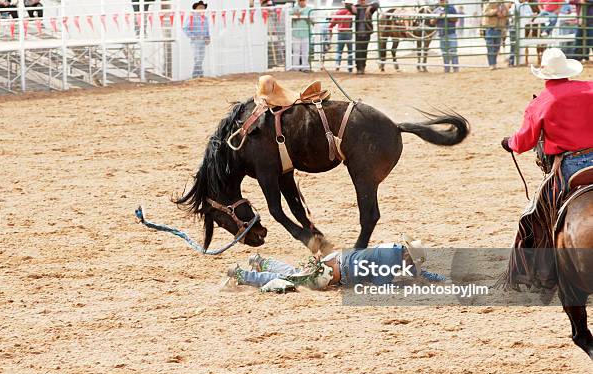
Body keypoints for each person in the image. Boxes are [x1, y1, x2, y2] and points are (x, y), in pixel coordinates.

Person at [500, 48, 593, 288]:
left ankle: (533, 272)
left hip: (570, 166)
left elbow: (524, 141)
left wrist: (509, 143)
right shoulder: (590, 89)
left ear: (544, 74)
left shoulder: (541, 102)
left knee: (533, 214)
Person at [224, 235, 445, 293]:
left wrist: (435, 278)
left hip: (335, 262)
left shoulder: (392, 250)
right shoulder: (391, 260)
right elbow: (383, 286)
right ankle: (243, 275)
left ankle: (261, 261)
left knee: (294, 274)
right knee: (289, 281)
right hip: (330, 274)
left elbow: (409, 271)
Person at [347, 0, 379, 75]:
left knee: (364, 50)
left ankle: (362, 67)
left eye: (363, 0)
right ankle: (359, 68)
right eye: (360, 0)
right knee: (358, 50)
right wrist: (351, 6)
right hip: (359, 33)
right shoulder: (356, 8)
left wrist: (370, 6)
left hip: (366, 32)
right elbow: (346, 5)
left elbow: (377, 4)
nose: (361, 2)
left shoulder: (370, 8)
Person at [431, 0, 460, 73]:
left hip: (451, 32)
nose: (442, 1)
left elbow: (456, 19)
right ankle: (447, 68)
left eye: (443, 0)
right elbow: (432, 22)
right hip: (442, 33)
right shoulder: (436, 10)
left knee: (453, 50)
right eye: (441, 0)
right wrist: (437, 17)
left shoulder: (451, 8)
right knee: (444, 52)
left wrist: (446, 16)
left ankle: (455, 67)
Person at [185, 1, 210, 79]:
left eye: (203, 7)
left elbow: (207, 29)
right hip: (195, 40)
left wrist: (208, 37)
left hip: (203, 40)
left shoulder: (205, 18)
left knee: (201, 58)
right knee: (197, 58)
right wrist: (193, 37)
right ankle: (196, 75)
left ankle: (199, 75)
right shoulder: (191, 17)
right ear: (195, 8)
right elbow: (185, 28)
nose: (201, 9)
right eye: (200, 7)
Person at [482, 0, 509, 70]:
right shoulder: (490, 3)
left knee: (496, 48)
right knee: (490, 47)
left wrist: (504, 13)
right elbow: (486, 13)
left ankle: (494, 63)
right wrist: (496, 11)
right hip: (490, 27)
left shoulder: (503, 5)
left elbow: (507, 14)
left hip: (499, 28)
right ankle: (491, 64)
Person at [329, 1, 354, 72]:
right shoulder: (351, 12)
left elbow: (332, 23)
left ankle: (337, 65)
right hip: (349, 32)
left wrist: (330, 29)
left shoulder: (338, 12)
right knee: (350, 51)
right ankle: (350, 67)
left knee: (339, 50)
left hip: (340, 32)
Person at [508, 0, 534, 66]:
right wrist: (527, 16)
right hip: (514, 26)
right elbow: (514, 15)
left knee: (521, 43)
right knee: (513, 44)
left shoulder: (526, 4)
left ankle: (520, 61)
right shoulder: (514, 4)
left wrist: (530, 15)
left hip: (523, 26)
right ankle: (512, 61)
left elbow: (530, 14)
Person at [291, 0, 312, 72]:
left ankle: (305, 67)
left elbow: (313, 20)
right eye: (300, 1)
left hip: (305, 33)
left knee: (305, 51)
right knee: (296, 51)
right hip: (295, 33)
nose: (301, 2)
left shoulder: (310, 9)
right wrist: (295, 15)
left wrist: (305, 18)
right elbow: (289, 17)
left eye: (303, 0)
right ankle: (295, 67)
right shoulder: (294, 9)